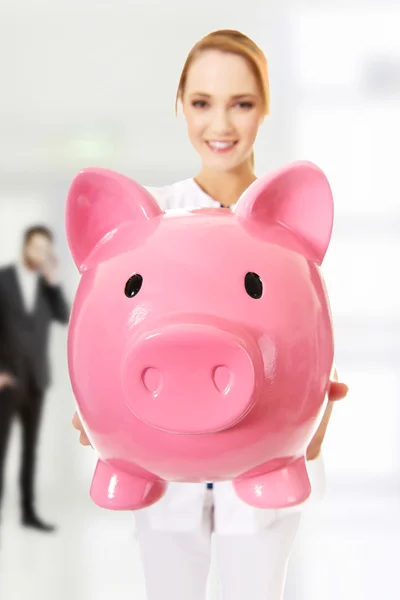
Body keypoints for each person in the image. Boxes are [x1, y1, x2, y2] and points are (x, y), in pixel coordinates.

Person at [72, 29, 349, 599]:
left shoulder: (289, 232)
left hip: (264, 467)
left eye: (241, 104)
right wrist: (97, 409)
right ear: (181, 105)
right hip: (160, 472)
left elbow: (312, 342)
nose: (219, 125)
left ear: (266, 107)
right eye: (202, 103)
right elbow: (101, 333)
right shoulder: (147, 222)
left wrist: (315, 411)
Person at [0, 225, 70, 532]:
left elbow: (64, 316)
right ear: (25, 246)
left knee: (31, 450)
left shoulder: (46, 286)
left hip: (37, 380)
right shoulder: (3, 280)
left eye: (46, 249)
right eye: (36, 247)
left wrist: (54, 283)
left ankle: (28, 513)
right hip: (7, 380)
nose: (40, 254)